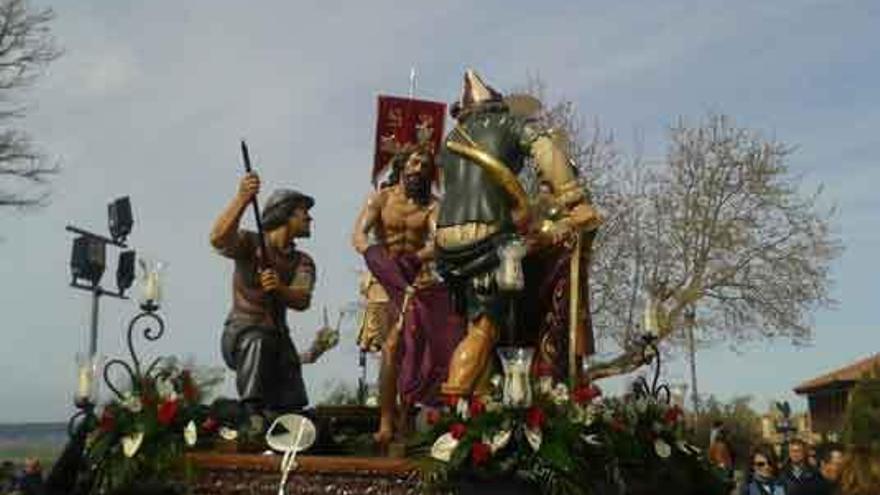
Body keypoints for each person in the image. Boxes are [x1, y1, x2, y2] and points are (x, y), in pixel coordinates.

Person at [435, 69, 601, 396]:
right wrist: (573, 196)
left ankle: (476, 409)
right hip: (483, 241)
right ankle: (453, 413)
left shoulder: (452, 140)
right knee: (483, 331)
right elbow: (545, 148)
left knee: (478, 327)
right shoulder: (509, 125)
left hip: (446, 245)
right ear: (497, 106)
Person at [352, 147, 462, 443]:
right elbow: (359, 236)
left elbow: (440, 241)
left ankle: (407, 415)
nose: (419, 169)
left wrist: (415, 259)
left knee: (415, 350)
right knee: (390, 347)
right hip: (384, 280)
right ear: (402, 165)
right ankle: (386, 420)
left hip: (417, 280)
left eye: (425, 165)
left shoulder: (432, 205)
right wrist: (376, 257)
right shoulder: (381, 198)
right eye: (415, 162)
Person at [210, 173, 336, 424]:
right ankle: (251, 412)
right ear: (285, 215)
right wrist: (243, 198)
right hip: (243, 334)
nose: (309, 218)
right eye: (303, 212)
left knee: (292, 404)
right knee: (259, 339)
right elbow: (218, 238)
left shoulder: (303, 261)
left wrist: (280, 288)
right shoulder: (249, 243)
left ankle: (277, 423)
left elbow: (302, 299)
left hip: (279, 340)